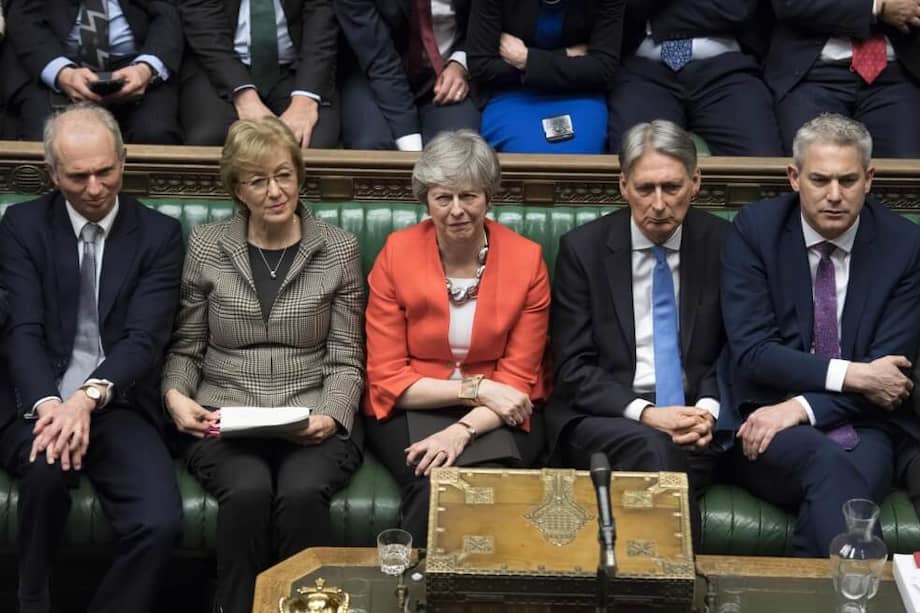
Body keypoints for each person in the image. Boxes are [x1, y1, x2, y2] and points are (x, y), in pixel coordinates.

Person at [161, 117, 364, 613]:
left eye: (284, 175)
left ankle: (310, 608)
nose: (275, 191)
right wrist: (175, 398)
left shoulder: (338, 247)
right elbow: (187, 347)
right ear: (237, 188)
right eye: (258, 180)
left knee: (299, 496)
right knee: (248, 492)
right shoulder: (208, 245)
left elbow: (347, 355)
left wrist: (331, 415)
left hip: (311, 409)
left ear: (299, 174)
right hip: (227, 412)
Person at [0, 103, 184, 613]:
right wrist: (49, 405)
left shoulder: (159, 234)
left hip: (117, 401)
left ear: (122, 162)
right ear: (53, 174)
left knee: (159, 522)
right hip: (35, 397)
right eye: (79, 176)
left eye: (107, 171)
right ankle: (31, 598)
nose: (96, 187)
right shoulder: (21, 225)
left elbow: (144, 339)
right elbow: (24, 330)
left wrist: (88, 397)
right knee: (45, 470)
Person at [721, 113, 920, 557]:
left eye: (848, 181)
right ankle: (863, 595)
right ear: (794, 177)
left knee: (845, 487)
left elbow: (890, 378)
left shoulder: (904, 246)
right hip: (764, 417)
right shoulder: (755, 231)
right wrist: (853, 374)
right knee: (836, 478)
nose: (834, 196)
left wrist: (801, 406)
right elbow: (754, 353)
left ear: (869, 179)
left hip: (863, 423)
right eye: (820, 180)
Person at [546, 120, 727, 546]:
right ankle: (680, 587)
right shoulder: (583, 250)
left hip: (694, 416)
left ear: (695, 182)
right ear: (623, 185)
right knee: (656, 450)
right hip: (607, 416)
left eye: (672, 187)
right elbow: (573, 368)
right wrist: (648, 415)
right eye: (646, 189)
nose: (660, 204)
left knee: (679, 453)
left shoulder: (725, 243)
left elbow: (737, 350)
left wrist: (707, 411)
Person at [364, 130, 549, 546]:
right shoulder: (397, 253)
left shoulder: (526, 260)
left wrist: (461, 430)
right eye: (442, 198)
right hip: (412, 404)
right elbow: (388, 379)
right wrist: (478, 389)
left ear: (488, 196)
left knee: (493, 486)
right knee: (432, 483)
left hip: (501, 412)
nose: (456, 211)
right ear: (425, 200)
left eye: (469, 196)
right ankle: (411, 591)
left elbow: (518, 382)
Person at [607, 0, 781, 156]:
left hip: (725, 73)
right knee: (631, 159)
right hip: (644, 74)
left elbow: (735, 9)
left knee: (761, 161)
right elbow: (627, 7)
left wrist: (658, 23)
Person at [3, 0, 183, 143]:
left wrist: (146, 68)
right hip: (52, 57)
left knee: (155, 133)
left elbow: (167, 14)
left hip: (137, 61)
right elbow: (23, 17)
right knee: (44, 140)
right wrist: (61, 73)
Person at [466, 0, 624, 153]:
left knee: (577, 160)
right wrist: (565, 56)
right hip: (512, 91)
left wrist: (526, 59)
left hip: (578, 92)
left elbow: (603, 68)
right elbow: (481, 66)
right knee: (522, 158)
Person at [767, 0, 920, 158]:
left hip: (897, 74)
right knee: (815, 165)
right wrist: (875, 7)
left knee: (907, 170)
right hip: (814, 75)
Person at [179, 0, 340, 148]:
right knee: (211, 137)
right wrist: (245, 99)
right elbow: (204, 27)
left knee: (313, 143)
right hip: (220, 67)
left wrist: (305, 101)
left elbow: (322, 19)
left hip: (297, 69)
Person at [334, 0, 480, 150]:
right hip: (375, 72)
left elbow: (488, 22)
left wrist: (460, 62)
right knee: (372, 146)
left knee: (457, 149)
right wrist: (411, 150)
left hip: (446, 72)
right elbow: (378, 58)